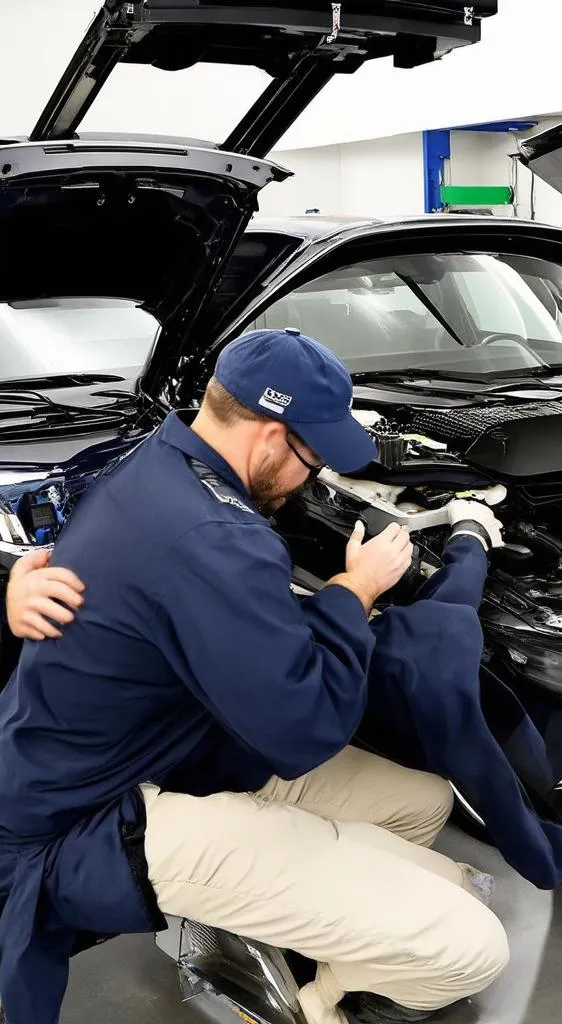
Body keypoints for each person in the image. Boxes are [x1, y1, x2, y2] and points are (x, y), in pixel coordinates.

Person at [0, 329, 509, 1024]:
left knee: (420, 803)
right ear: (270, 436)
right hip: (90, 820)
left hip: (152, 750)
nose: (314, 478)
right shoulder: (216, 539)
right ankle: (320, 1005)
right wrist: (353, 592)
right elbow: (306, 732)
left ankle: (284, 927)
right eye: (314, 458)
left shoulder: (161, 456)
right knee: (474, 947)